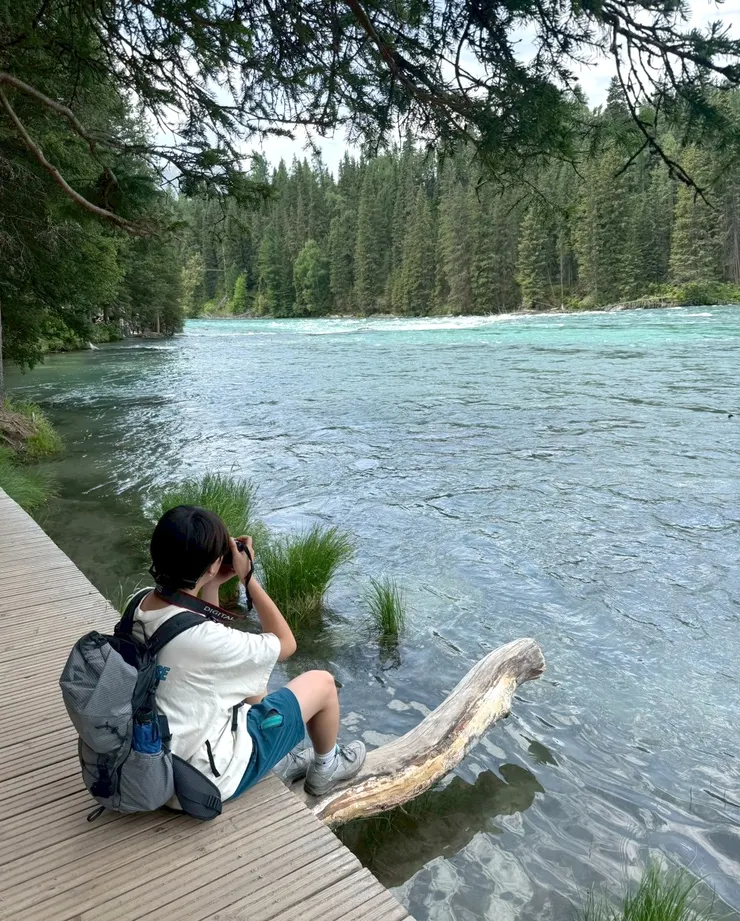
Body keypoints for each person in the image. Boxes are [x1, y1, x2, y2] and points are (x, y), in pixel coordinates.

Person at [132, 504, 366, 801]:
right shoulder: (206, 641)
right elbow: (286, 643)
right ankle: (326, 768)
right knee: (322, 682)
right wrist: (248, 578)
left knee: (252, 680)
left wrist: (213, 581)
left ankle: (279, 760)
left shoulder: (139, 604)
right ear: (213, 564)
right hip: (200, 782)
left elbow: (203, 635)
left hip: (154, 764)